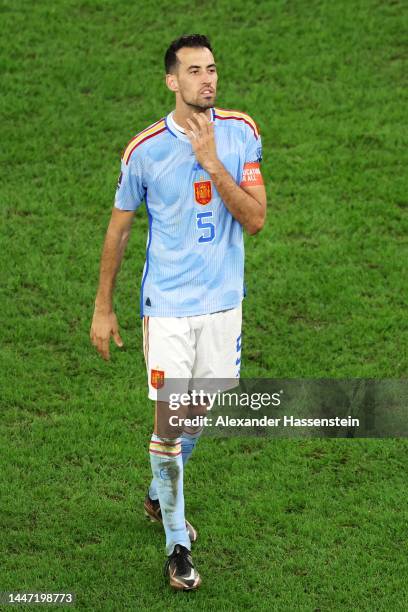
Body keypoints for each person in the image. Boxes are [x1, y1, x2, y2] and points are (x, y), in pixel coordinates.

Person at [90, 34, 266, 591]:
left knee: (198, 411)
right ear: (172, 81)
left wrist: (213, 164)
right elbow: (118, 230)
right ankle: (176, 544)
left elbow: (256, 218)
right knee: (170, 424)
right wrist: (103, 308)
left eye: (212, 69)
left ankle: (155, 492)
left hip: (223, 305)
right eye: (194, 71)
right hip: (166, 308)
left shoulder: (241, 133)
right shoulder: (143, 150)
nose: (207, 80)